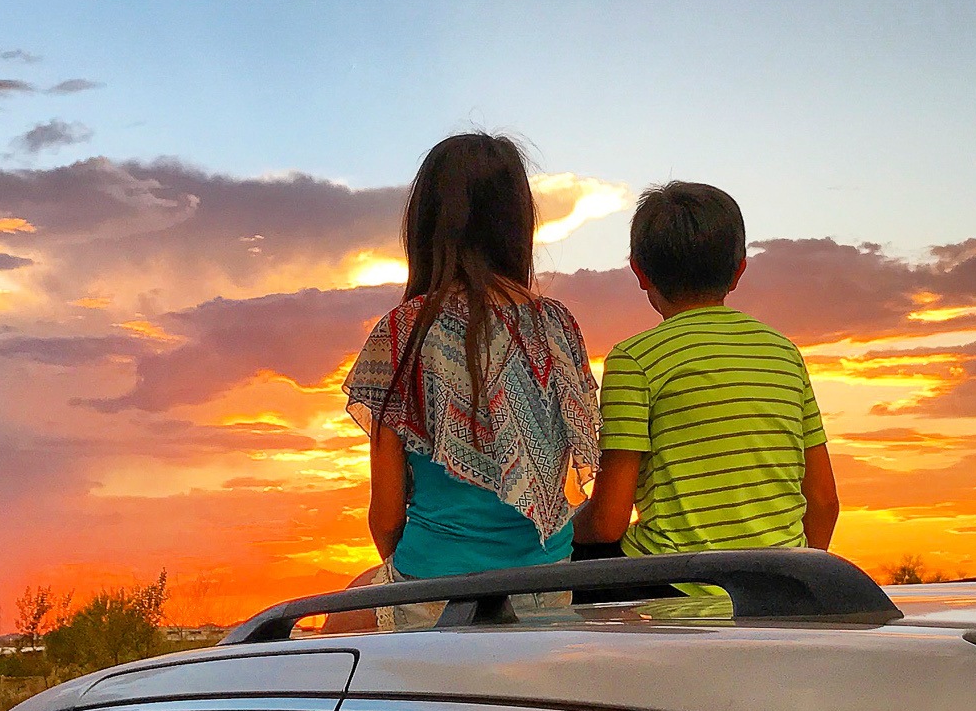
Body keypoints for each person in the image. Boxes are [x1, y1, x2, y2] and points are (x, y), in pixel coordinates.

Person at [343, 132, 600, 614]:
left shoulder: (402, 333)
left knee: (335, 621)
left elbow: (385, 519)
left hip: (433, 590)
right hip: (547, 589)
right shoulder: (558, 328)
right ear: (517, 223)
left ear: (425, 226)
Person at [573, 182, 838, 585]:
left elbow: (608, 522)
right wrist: (795, 580)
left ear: (640, 272)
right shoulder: (784, 353)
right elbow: (823, 502)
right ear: (739, 271)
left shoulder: (634, 359)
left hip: (675, 586)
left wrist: (561, 532)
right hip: (780, 586)